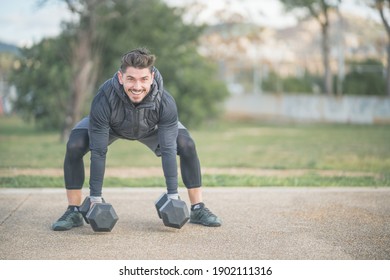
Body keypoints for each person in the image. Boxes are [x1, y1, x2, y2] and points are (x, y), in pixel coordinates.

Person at [52, 48, 222, 231]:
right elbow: (99, 151)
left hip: (151, 127)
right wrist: (95, 198)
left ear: (152, 76)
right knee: (75, 145)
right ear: (120, 77)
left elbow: (168, 149)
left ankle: (197, 208)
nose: (137, 86)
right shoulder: (103, 98)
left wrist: (173, 196)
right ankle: (74, 211)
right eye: (131, 79)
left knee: (186, 145)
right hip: (111, 126)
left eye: (143, 79)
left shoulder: (165, 101)